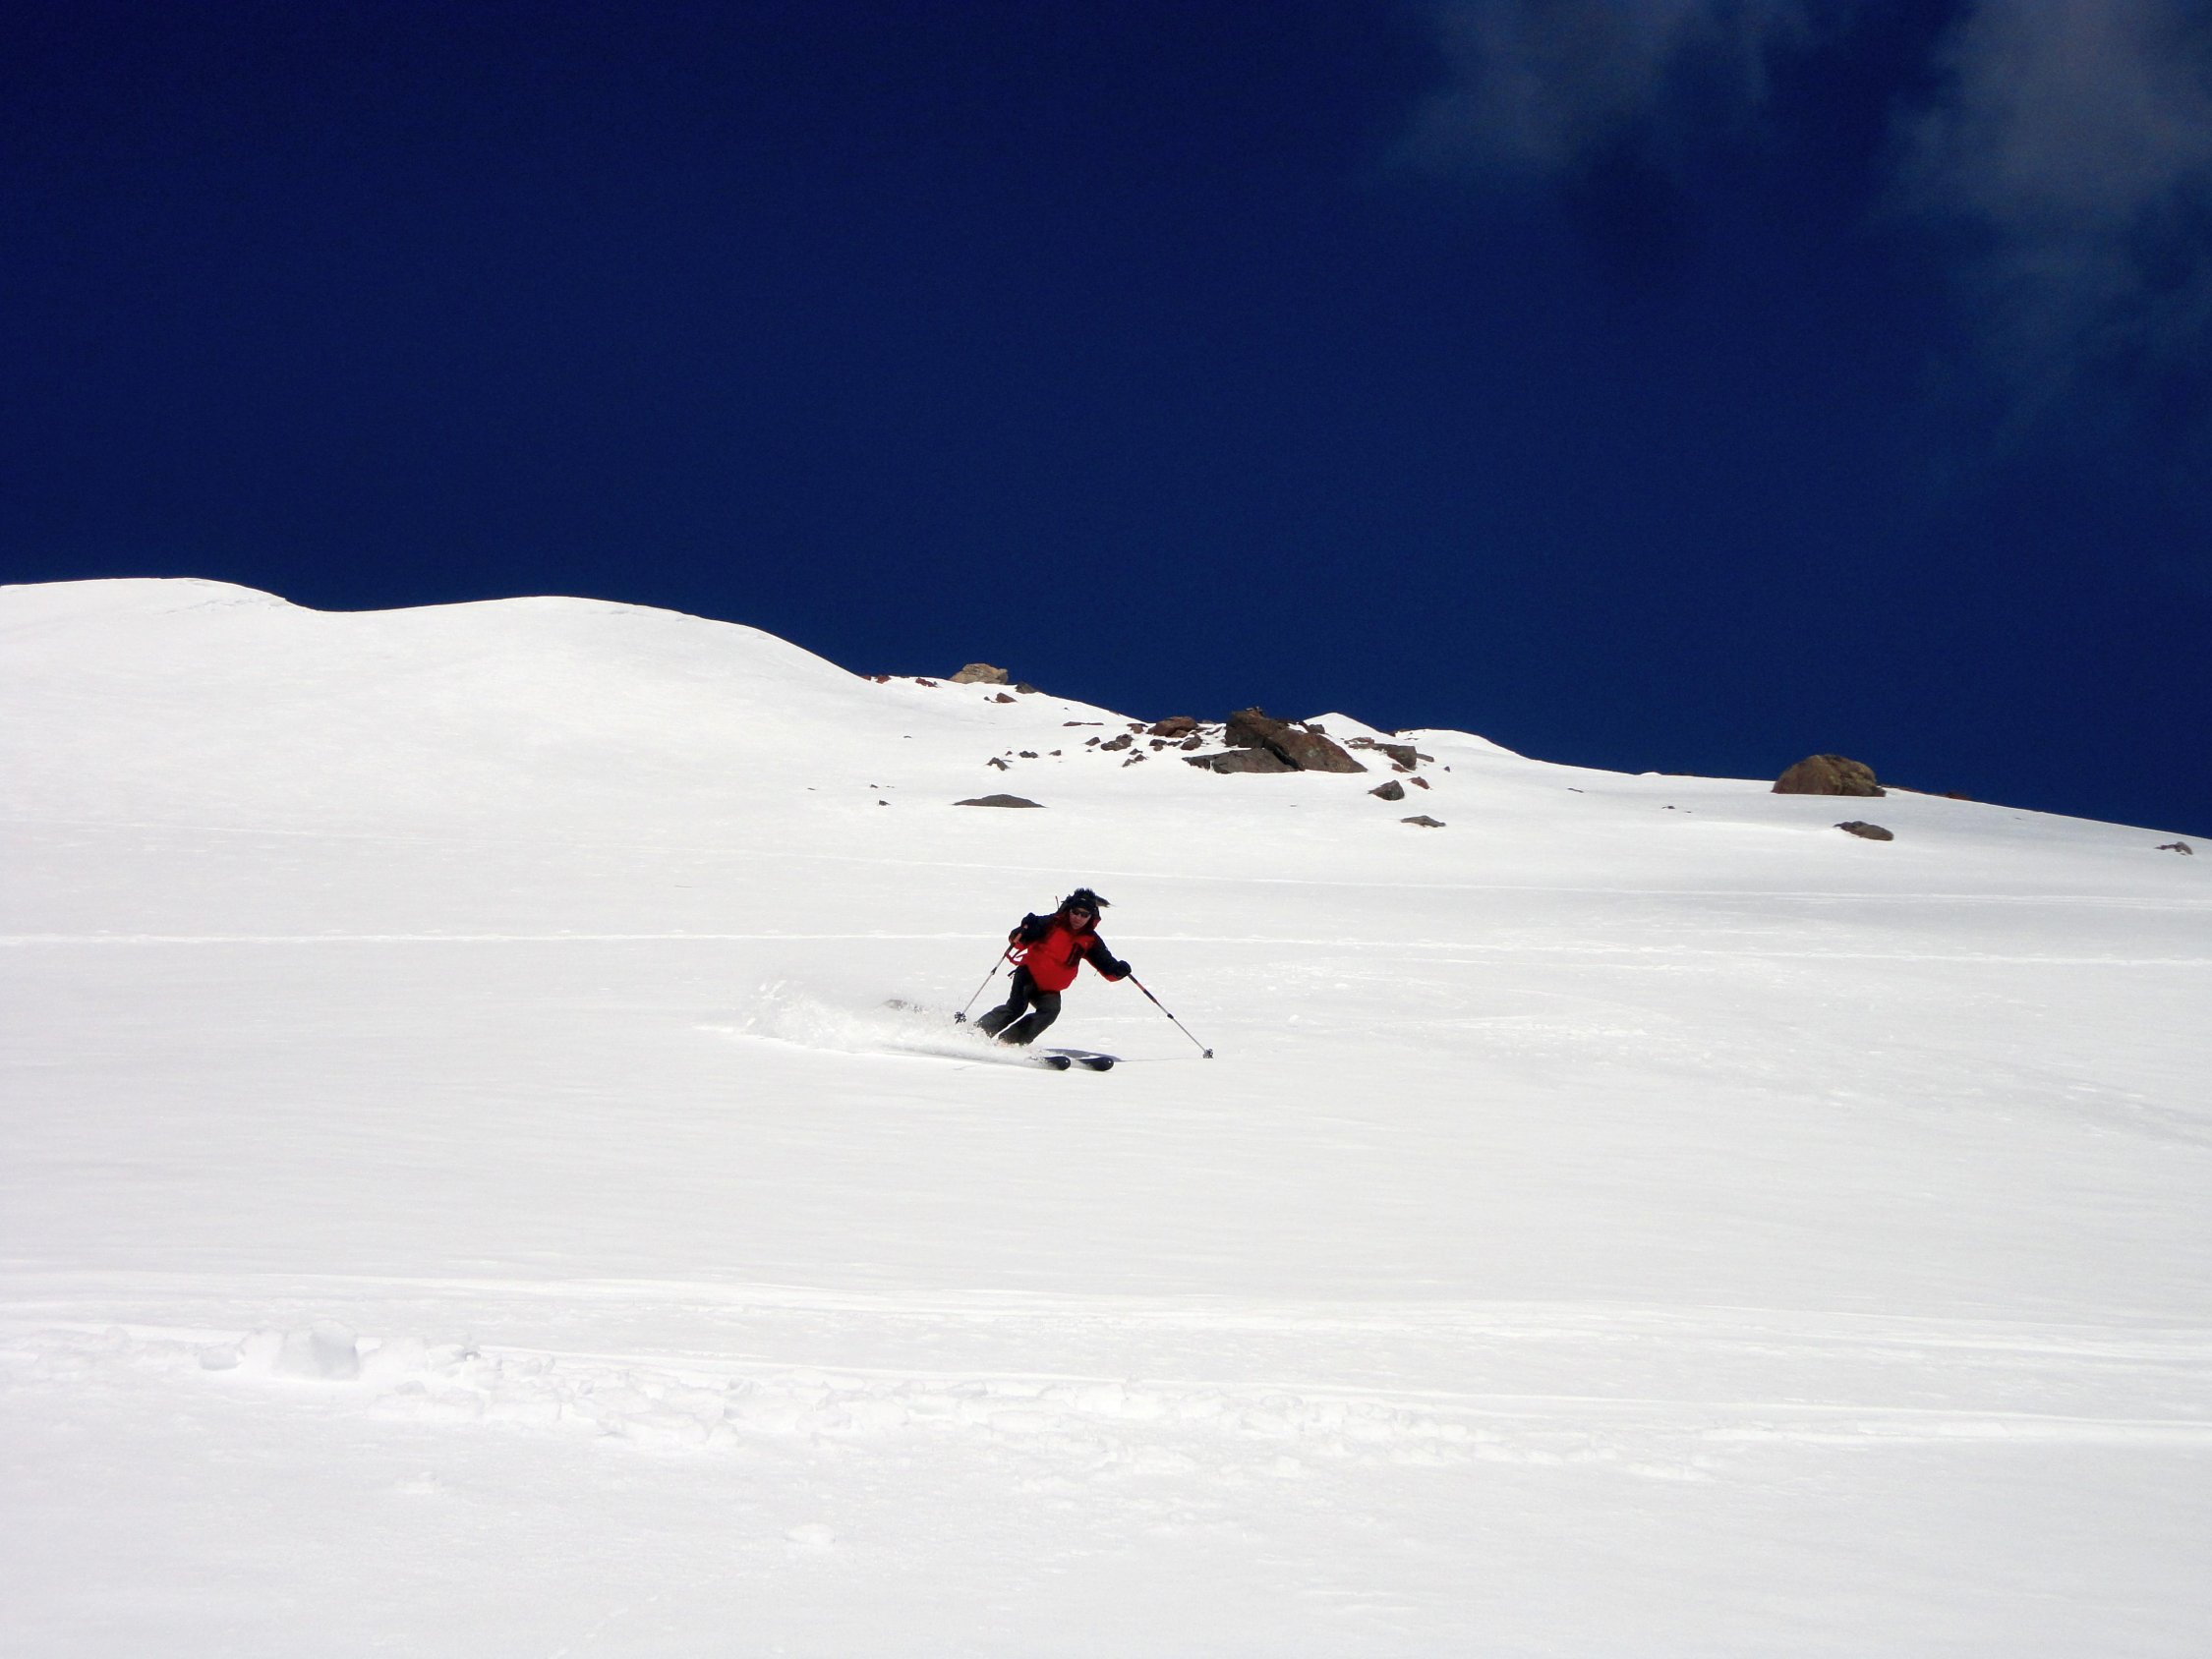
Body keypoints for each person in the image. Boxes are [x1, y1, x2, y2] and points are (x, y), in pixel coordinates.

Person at [975, 887, 1130, 1045]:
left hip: (1050, 988)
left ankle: (1009, 1042)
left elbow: (1106, 964)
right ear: (1069, 910)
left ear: (1092, 916)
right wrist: (1023, 930)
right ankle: (976, 1033)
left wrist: (1118, 970)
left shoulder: (1090, 940)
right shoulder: (1050, 923)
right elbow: (1018, 941)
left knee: (1050, 1011)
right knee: (1016, 1008)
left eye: (1084, 915)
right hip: (1029, 975)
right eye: (1075, 912)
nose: (1078, 918)